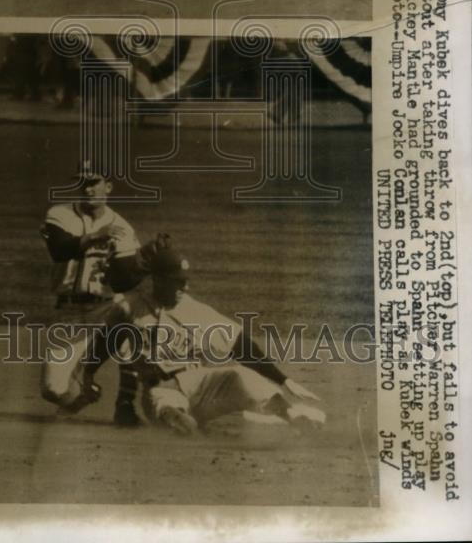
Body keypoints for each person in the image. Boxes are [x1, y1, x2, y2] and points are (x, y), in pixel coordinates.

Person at [89, 246, 325, 435]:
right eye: (178, 282)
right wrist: (88, 376)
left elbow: (240, 346)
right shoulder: (130, 307)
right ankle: (186, 423)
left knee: (239, 375)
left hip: (201, 387)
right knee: (177, 419)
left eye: (185, 280)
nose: (185, 286)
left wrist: (284, 380)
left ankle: (292, 415)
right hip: (161, 391)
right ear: (158, 279)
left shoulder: (197, 310)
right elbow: (105, 343)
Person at [39, 163, 168, 427]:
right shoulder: (60, 214)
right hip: (70, 313)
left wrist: (146, 261)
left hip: (106, 309)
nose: (88, 187)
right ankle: (84, 393)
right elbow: (59, 250)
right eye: (83, 182)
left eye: (94, 182)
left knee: (130, 325)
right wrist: (96, 236)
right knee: (52, 389)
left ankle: (126, 405)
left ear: (108, 186)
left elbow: (123, 279)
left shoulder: (121, 226)